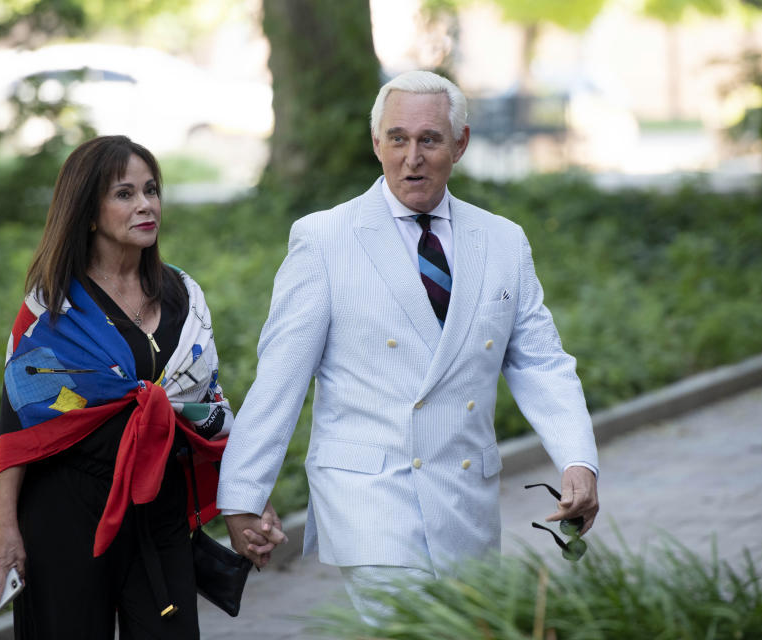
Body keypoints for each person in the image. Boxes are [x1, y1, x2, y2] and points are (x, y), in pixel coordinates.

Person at [216, 70, 600, 619]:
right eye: (397, 139)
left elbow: (540, 362)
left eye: (429, 140)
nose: (412, 157)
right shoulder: (324, 239)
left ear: (460, 144)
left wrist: (578, 460)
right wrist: (242, 495)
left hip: (465, 497)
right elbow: (280, 376)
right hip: (370, 498)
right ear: (377, 144)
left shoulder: (502, 239)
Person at [0, 135, 279, 638]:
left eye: (151, 190)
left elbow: (208, 408)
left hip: (159, 507)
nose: (145, 205)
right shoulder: (50, 310)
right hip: (66, 512)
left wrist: (247, 498)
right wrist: (5, 530)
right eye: (124, 194)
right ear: (88, 211)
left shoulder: (183, 295)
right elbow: (18, 428)